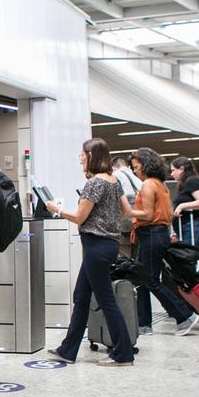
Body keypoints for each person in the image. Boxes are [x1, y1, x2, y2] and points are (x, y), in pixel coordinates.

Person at [43, 138, 135, 367]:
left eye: (82, 154)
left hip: (96, 246)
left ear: (92, 155)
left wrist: (57, 209)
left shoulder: (95, 183)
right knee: (81, 296)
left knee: (106, 300)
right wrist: (106, 220)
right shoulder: (114, 181)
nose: (80, 158)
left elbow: (79, 218)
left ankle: (123, 353)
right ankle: (68, 349)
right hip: (108, 245)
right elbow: (127, 211)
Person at [129, 148, 199, 337]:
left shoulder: (148, 185)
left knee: (149, 280)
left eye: (136, 167)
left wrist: (127, 211)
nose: (135, 171)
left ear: (145, 165)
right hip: (157, 235)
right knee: (141, 278)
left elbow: (148, 215)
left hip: (151, 233)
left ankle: (184, 316)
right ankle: (144, 324)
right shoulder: (161, 184)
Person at [170, 157, 199, 251]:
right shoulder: (184, 184)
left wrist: (182, 206)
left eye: (173, 170)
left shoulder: (192, 181)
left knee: (190, 256)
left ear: (182, 169)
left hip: (193, 226)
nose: (172, 174)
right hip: (186, 226)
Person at [112, 155, 142, 259]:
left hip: (124, 224)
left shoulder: (116, 175)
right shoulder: (137, 178)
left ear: (113, 167)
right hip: (138, 223)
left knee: (123, 258)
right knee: (135, 257)